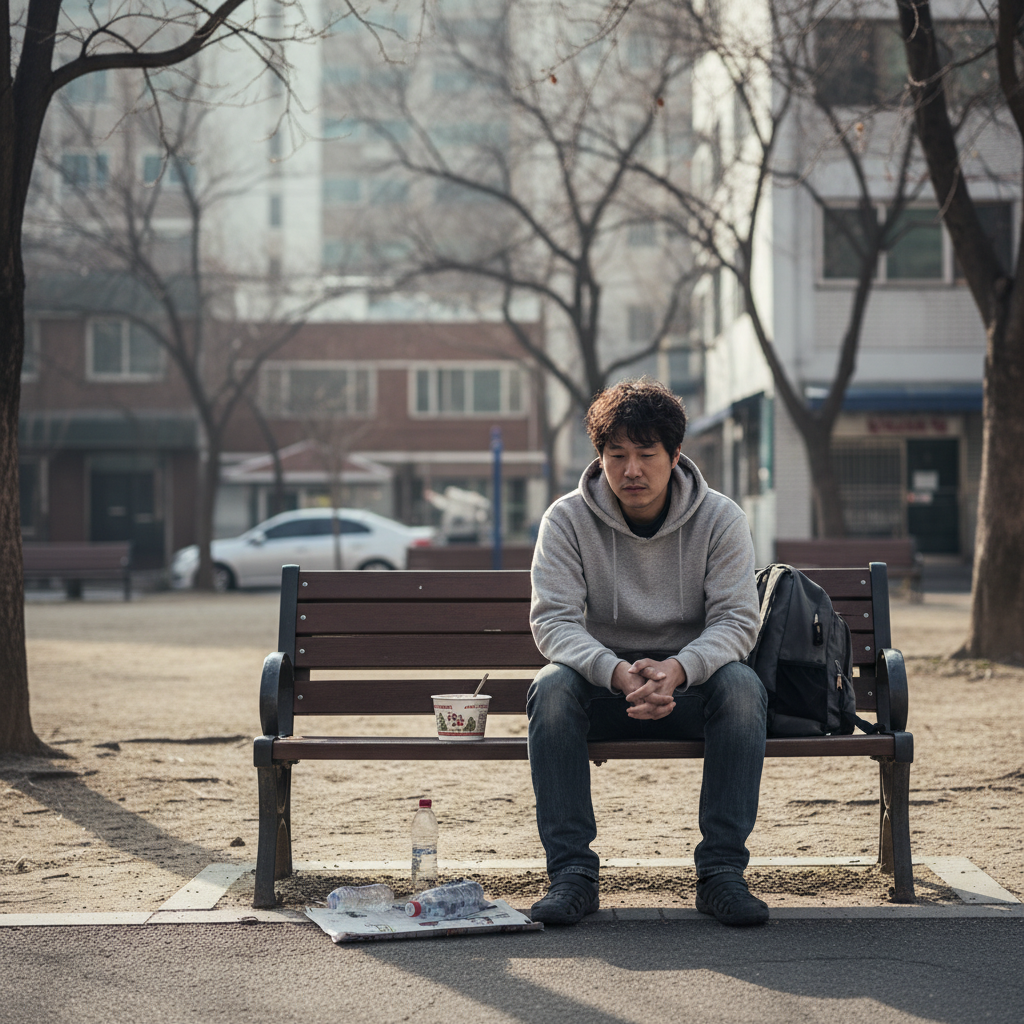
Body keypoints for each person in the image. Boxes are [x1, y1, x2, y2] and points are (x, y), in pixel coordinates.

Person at [527, 378, 769, 926]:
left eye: (646, 454)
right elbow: (554, 623)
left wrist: (679, 670)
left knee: (743, 687)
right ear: (600, 458)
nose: (631, 470)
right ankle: (572, 875)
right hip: (604, 691)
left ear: (676, 455)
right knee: (552, 688)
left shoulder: (720, 518)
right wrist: (616, 674)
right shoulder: (565, 520)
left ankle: (722, 873)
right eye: (617, 455)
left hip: (691, 689)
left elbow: (736, 620)